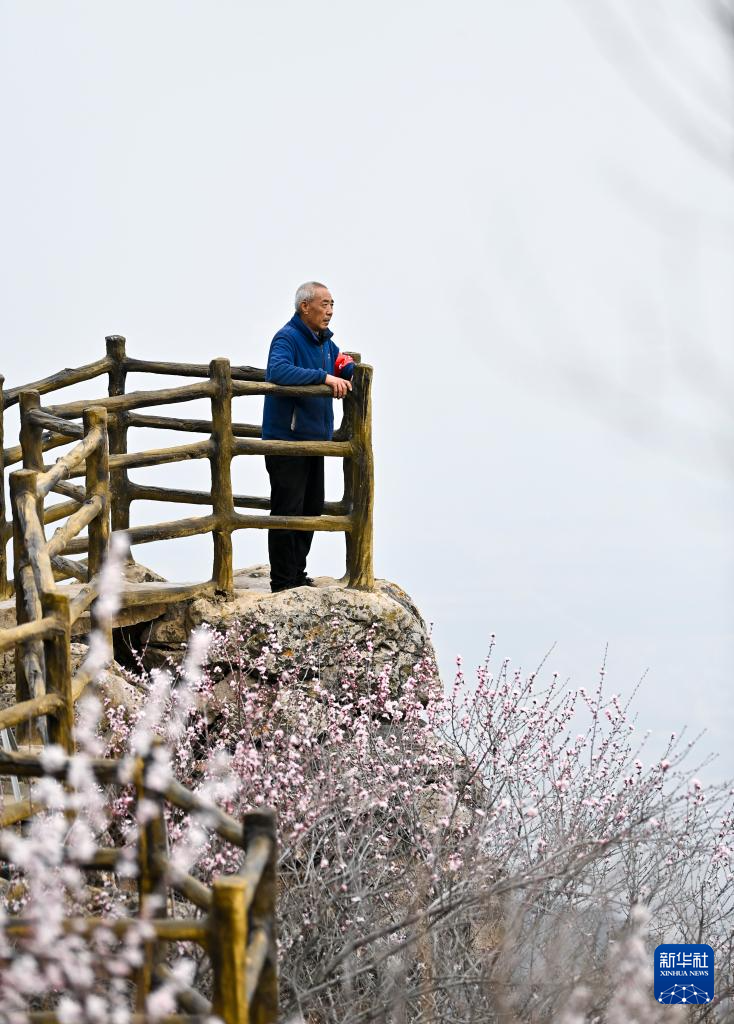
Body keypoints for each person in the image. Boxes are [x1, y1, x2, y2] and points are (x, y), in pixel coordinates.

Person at [261, 282, 355, 593]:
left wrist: (345, 368)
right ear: (305, 307)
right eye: (324, 304)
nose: (330, 311)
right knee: (287, 511)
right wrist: (323, 377)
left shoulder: (325, 343)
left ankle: (297, 574)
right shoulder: (287, 337)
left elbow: (339, 364)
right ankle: (282, 582)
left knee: (311, 508)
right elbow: (277, 371)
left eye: (332, 304)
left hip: (314, 442)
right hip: (286, 441)